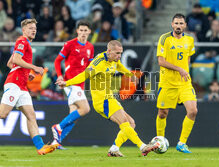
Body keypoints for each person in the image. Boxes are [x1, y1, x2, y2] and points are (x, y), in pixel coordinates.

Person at [55, 40, 159, 157]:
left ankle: (114, 149)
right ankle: (143, 146)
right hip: (102, 101)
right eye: (117, 53)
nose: (119, 56)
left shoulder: (114, 60)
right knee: (124, 123)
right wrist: (66, 83)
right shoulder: (98, 63)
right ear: (109, 51)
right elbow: (84, 75)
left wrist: (130, 75)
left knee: (131, 123)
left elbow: (119, 66)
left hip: (109, 98)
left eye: (121, 53)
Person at [0, 18, 58, 155]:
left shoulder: (25, 43)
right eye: (31, 28)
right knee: (3, 114)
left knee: (31, 116)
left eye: (35, 29)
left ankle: (40, 147)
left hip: (22, 86)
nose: (34, 30)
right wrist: (34, 68)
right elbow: (15, 60)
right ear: (24, 30)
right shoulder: (22, 41)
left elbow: (10, 63)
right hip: (14, 83)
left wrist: (27, 73)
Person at [156, 13, 198, 153]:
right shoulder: (164, 39)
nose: (178, 26)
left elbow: (187, 59)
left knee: (193, 111)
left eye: (181, 23)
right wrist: (179, 69)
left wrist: (185, 71)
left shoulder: (190, 41)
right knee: (162, 113)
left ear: (185, 25)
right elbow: (161, 61)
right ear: (172, 24)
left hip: (184, 83)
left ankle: (182, 143)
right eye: (176, 23)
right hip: (167, 83)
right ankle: (160, 142)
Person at [52, 20, 94, 149]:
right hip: (70, 82)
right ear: (77, 31)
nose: (82, 33)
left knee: (74, 115)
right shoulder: (69, 44)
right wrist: (59, 75)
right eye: (80, 30)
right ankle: (58, 127)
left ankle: (56, 142)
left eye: (85, 30)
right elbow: (57, 61)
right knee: (86, 108)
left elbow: (89, 67)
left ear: (89, 32)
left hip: (80, 84)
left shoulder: (90, 47)